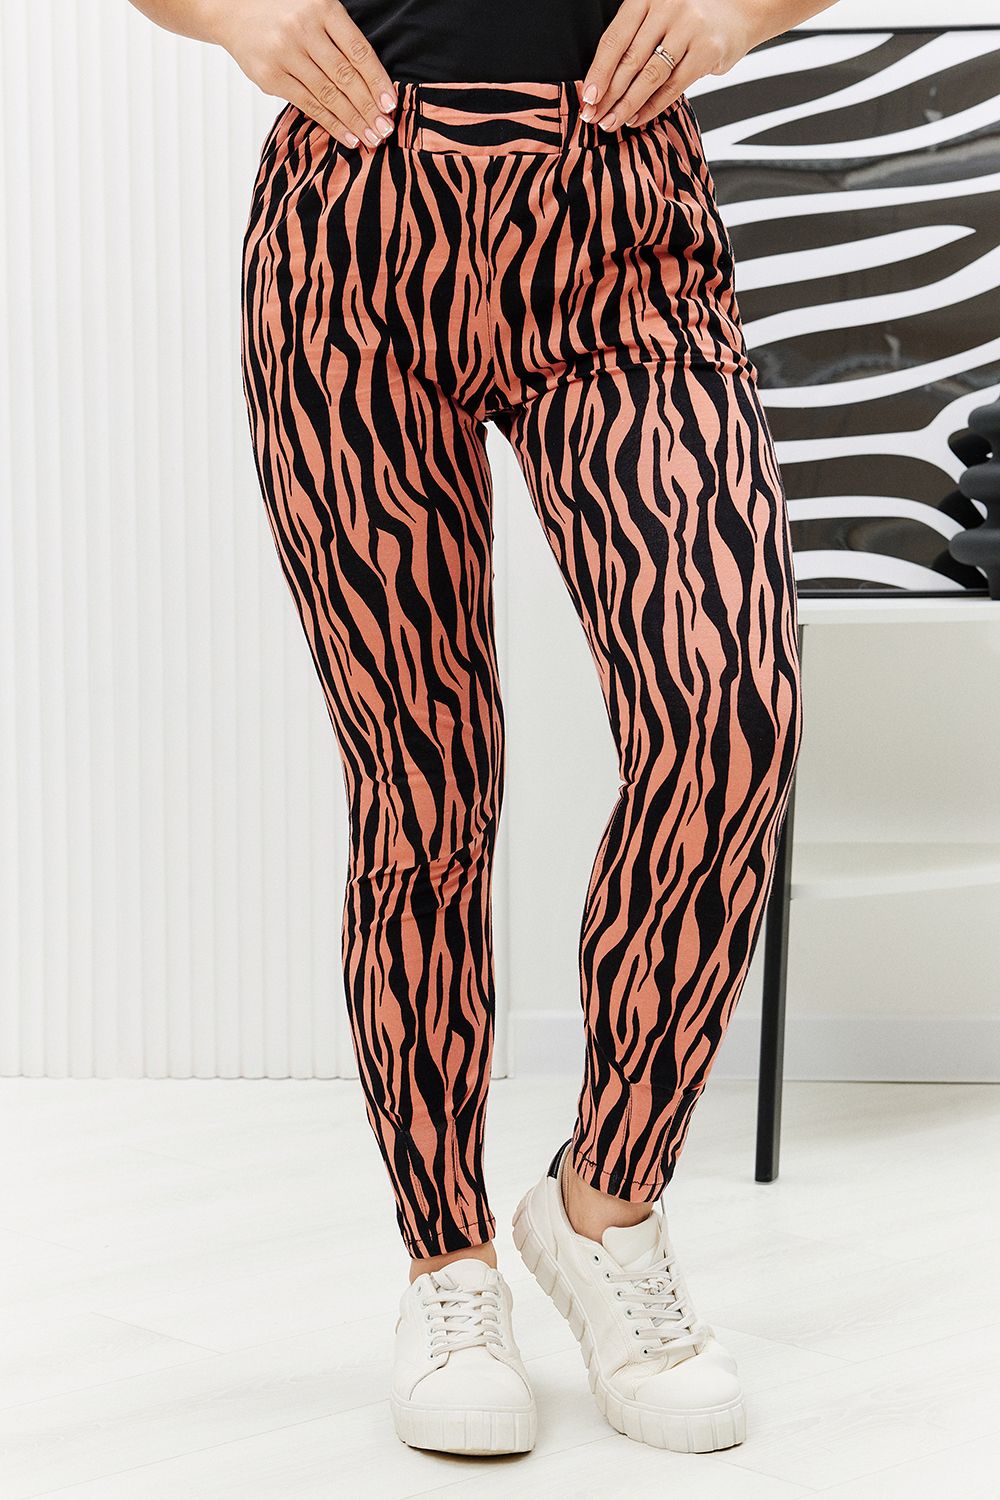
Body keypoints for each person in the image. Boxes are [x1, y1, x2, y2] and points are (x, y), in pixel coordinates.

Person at [128, 0, 822, 1460]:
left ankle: (604, 1206)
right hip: (352, 238)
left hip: (620, 222)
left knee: (731, 709)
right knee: (421, 786)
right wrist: (232, 14)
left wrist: (743, 12)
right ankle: (447, 1266)